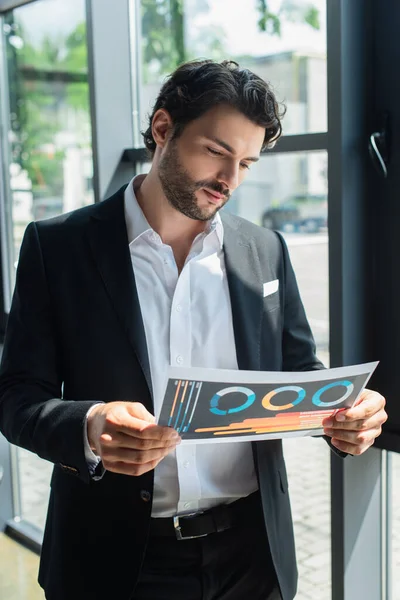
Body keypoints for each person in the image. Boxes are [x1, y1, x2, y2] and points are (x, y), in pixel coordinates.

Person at [0, 59, 387, 600]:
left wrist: (347, 414)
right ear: (163, 130)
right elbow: (17, 396)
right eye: (217, 152)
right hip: (117, 562)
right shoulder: (57, 248)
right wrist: (89, 426)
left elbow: (299, 373)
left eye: (247, 163)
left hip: (251, 558)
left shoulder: (265, 249)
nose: (230, 181)